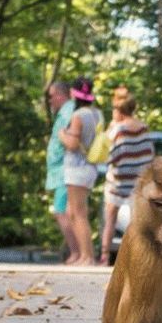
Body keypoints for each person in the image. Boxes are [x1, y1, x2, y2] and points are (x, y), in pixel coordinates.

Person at [98, 86, 154, 265]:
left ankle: (105, 256)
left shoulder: (117, 129)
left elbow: (108, 153)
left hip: (117, 182)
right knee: (137, 221)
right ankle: (139, 256)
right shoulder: (143, 128)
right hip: (138, 181)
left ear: (119, 110)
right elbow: (149, 154)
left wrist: (110, 127)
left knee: (110, 220)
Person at [58, 77, 102, 266]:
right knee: (71, 211)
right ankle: (84, 255)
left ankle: (88, 257)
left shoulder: (78, 116)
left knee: (78, 213)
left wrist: (62, 135)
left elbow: (73, 144)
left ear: (73, 94)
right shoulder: (97, 113)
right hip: (89, 167)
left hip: (77, 167)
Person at [44, 81, 80, 264]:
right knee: (66, 211)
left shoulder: (69, 110)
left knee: (62, 212)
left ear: (60, 94)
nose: (50, 100)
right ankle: (77, 253)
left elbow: (70, 139)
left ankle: (78, 252)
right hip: (60, 170)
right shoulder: (65, 111)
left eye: (51, 96)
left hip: (65, 170)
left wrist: (61, 137)